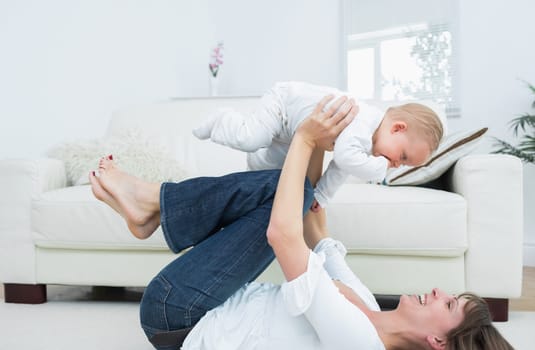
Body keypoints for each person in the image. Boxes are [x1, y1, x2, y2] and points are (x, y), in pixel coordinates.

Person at [90, 96, 512, 350]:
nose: (439, 292)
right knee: (296, 193)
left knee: (290, 199)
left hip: (179, 316)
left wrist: (306, 139)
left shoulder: (358, 340)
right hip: (203, 303)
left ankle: (153, 203)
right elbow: (318, 237)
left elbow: (283, 236)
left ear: (439, 342)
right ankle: (152, 206)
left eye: (449, 304)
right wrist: (319, 138)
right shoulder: (367, 309)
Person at [193, 81, 445, 209]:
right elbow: (345, 158)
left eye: (402, 163)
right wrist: (380, 170)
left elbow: (340, 168)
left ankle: (254, 168)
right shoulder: (365, 119)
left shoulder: (368, 143)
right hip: (283, 106)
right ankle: (221, 120)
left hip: (295, 133)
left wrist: (322, 195)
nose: (395, 164)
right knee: (251, 139)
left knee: (272, 170)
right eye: (402, 156)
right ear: (397, 128)